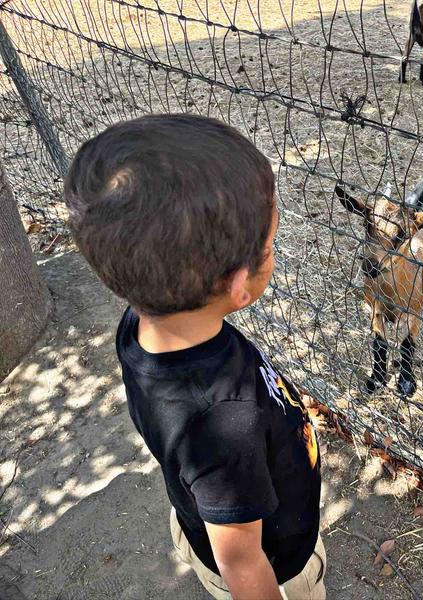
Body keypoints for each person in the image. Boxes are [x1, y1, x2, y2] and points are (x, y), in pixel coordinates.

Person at [63, 114, 324, 600]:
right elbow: (242, 560)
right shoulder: (224, 423)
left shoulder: (142, 321)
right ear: (239, 286)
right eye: (269, 244)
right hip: (277, 564)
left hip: (201, 514)